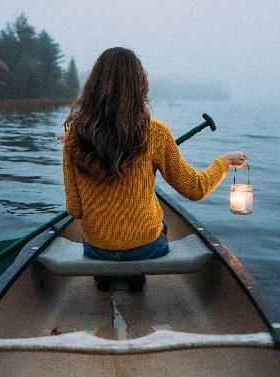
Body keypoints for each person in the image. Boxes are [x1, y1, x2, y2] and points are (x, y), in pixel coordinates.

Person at [62, 47, 248, 292]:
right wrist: (224, 162)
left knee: (101, 236)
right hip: (147, 247)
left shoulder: (74, 136)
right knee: (159, 221)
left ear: (93, 87)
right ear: (140, 86)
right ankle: (136, 273)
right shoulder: (155, 132)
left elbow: (75, 210)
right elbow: (195, 189)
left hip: (96, 248)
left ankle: (104, 274)